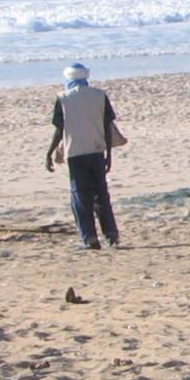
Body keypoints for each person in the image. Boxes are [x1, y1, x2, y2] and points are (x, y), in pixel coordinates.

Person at [45, 63, 120, 249]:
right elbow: (107, 127)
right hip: (96, 150)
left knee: (80, 197)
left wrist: (49, 152)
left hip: (75, 152)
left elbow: (59, 129)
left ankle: (89, 238)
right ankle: (111, 235)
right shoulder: (99, 96)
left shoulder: (63, 98)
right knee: (101, 195)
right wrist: (108, 154)